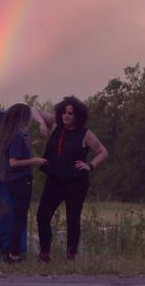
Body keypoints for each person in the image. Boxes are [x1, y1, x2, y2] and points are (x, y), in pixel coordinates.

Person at [33, 96, 108, 262]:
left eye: (71, 114)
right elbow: (33, 110)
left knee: (72, 217)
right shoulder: (55, 125)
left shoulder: (85, 134)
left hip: (76, 181)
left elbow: (103, 151)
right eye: (64, 113)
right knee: (43, 215)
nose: (66, 116)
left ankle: (71, 255)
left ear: (77, 116)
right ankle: (44, 254)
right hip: (55, 179)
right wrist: (41, 124)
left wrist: (90, 165)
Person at [0, 103, 48, 263]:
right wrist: (35, 161)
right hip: (20, 181)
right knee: (20, 217)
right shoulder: (19, 137)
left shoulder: (9, 135)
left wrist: (41, 121)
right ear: (22, 118)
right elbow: (13, 162)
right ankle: (14, 254)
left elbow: (33, 109)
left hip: (11, 181)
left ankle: (14, 252)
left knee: (17, 216)